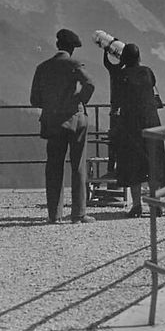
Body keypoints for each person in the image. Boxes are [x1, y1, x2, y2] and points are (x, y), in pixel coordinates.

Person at [30, 28, 95, 224]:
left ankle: (54, 214)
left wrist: (51, 105)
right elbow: (90, 84)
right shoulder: (73, 64)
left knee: (54, 166)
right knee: (78, 166)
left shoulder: (42, 67)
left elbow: (34, 100)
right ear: (72, 48)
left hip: (52, 121)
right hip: (75, 119)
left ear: (58, 45)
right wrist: (78, 101)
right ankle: (78, 213)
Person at [115, 43, 165, 218]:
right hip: (151, 122)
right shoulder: (147, 72)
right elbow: (152, 84)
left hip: (131, 125)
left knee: (133, 164)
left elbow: (117, 99)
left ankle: (137, 205)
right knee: (153, 163)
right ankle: (156, 202)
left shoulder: (121, 75)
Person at [102, 46, 126, 176]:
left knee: (113, 140)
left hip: (114, 109)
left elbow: (106, 63)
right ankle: (120, 169)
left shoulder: (113, 71)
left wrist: (106, 51)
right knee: (121, 141)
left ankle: (110, 169)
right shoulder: (124, 72)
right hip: (123, 110)